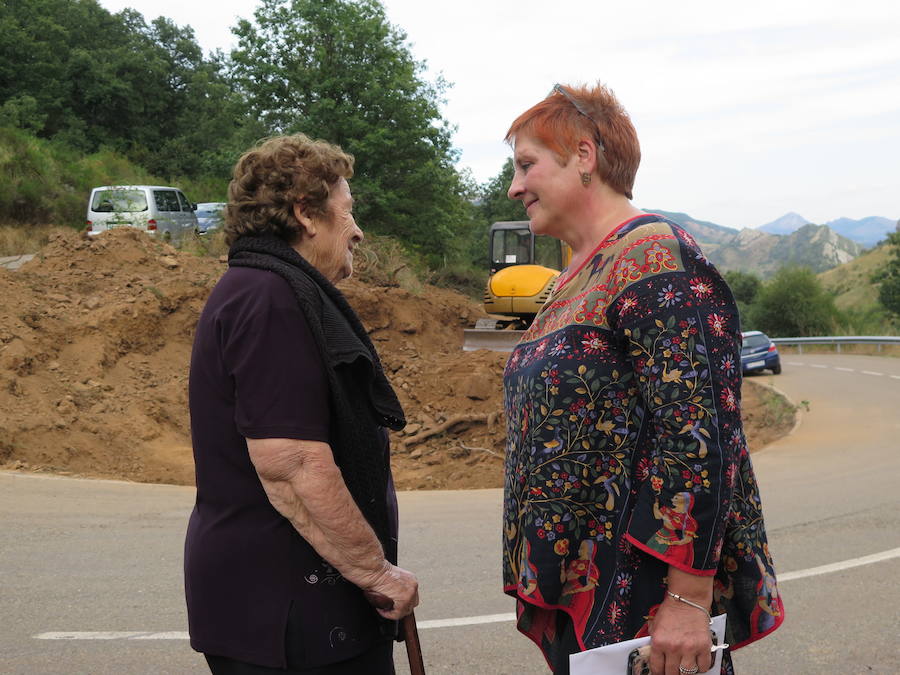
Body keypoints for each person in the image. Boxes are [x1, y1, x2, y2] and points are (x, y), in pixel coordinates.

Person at [501, 83, 784, 675]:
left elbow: (701, 437)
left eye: (527, 164)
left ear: (584, 156)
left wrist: (686, 601)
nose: (514, 186)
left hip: (642, 599)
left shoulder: (656, 258)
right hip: (586, 595)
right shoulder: (571, 280)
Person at [184, 133, 418, 674]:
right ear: (306, 213)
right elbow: (291, 466)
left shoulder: (263, 290)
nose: (357, 231)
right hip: (287, 616)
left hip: (288, 607)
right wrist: (378, 574)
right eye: (347, 212)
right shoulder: (270, 299)